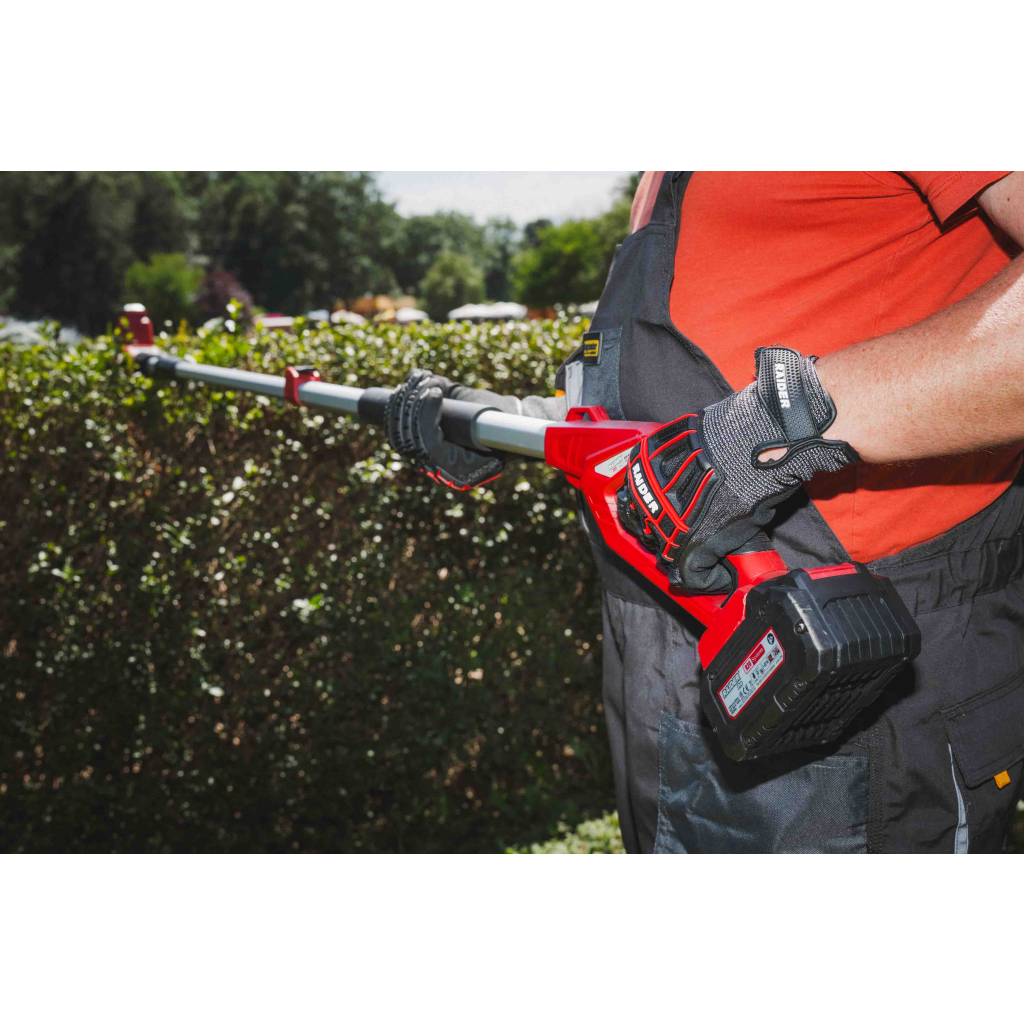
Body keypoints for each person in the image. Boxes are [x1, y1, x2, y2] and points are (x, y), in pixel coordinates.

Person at [385, 172, 1024, 853]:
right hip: (674, 675)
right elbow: (662, 399)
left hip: (860, 675)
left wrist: (773, 429)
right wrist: (512, 423)